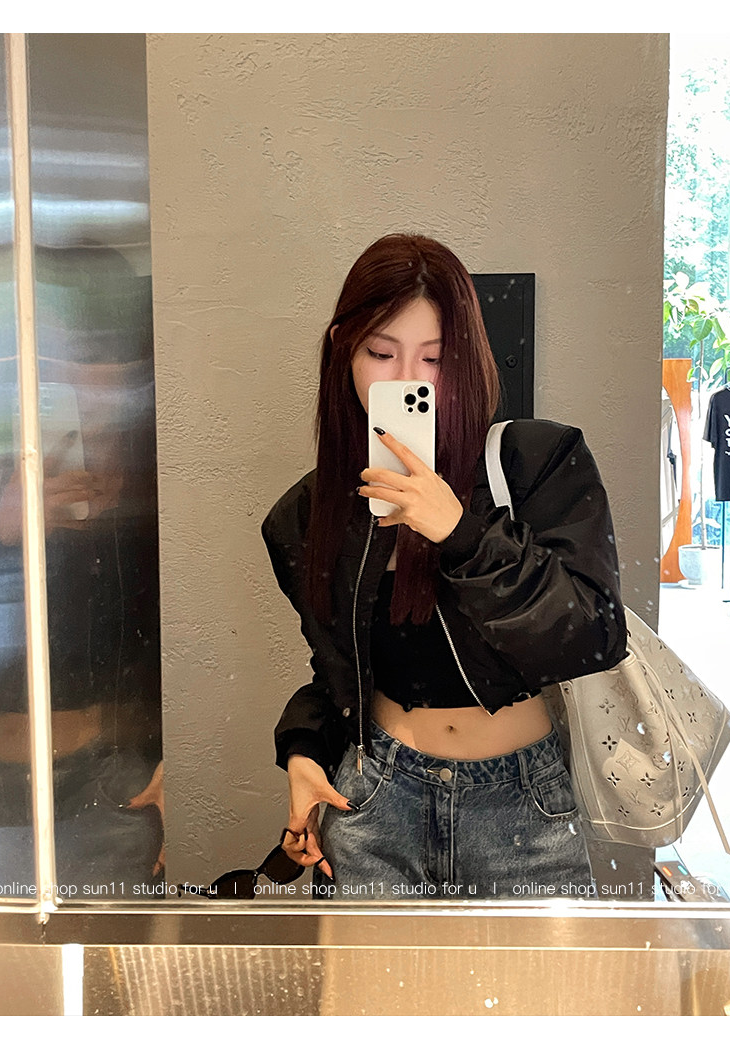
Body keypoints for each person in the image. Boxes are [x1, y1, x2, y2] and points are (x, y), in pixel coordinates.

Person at [262, 233, 628, 899]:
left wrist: (461, 533)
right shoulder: (308, 514)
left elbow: (593, 634)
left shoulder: (536, 464)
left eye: (434, 358)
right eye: (381, 353)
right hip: (376, 803)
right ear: (343, 350)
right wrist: (304, 752)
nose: (408, 378)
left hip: (522, 806)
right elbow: (340, 671)